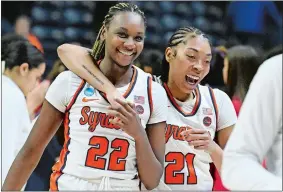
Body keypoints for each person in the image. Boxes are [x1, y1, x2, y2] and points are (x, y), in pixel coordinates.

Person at [2, 3, 167, 191]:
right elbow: (31, 151)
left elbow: (152, 181)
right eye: (122, 34)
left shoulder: (153, 92)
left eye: (138, 38)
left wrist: (138, 134)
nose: (130, 44)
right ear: (104, 32)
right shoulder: (70, 81)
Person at [56, 26, 237, 190]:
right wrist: (109, 88)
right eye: (191, 56)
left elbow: (237, 173)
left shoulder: (217, 101)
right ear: (169, 54)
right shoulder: (146, 88)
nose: (199, 67)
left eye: (206, 61)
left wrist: (212, 147)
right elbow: (67, 51)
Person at [221, 53, 282, 190]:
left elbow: (226, 148)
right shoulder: (276, 72)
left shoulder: (230, 105)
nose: (222, 70)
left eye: (225, 66)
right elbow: (237, 158)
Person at [1, 34, 46, 184]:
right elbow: (4, 154)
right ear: (24, 69)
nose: (36, 85)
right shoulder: (12, 95)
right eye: (37, 77)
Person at [223, 45, 261, 115]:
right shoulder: (260, 101)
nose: (223, 70)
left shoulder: (233, 106)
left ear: (234, 70)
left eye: (225, 66)